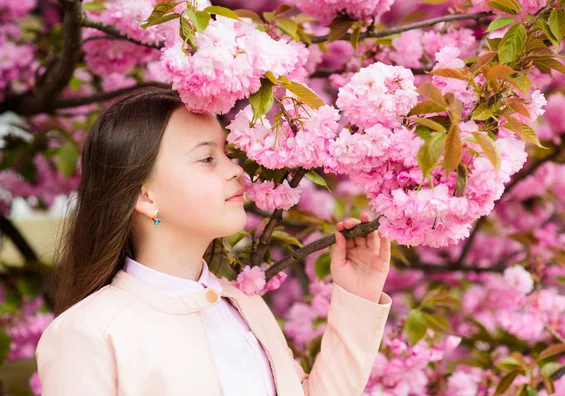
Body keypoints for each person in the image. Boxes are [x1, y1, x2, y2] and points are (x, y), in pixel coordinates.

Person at [35, 87, 392, 396]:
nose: (235, 170)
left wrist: (356, 297)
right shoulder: (90, 332)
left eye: (226, 154)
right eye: (206, 158)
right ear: (145, 196)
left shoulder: (243, 307)